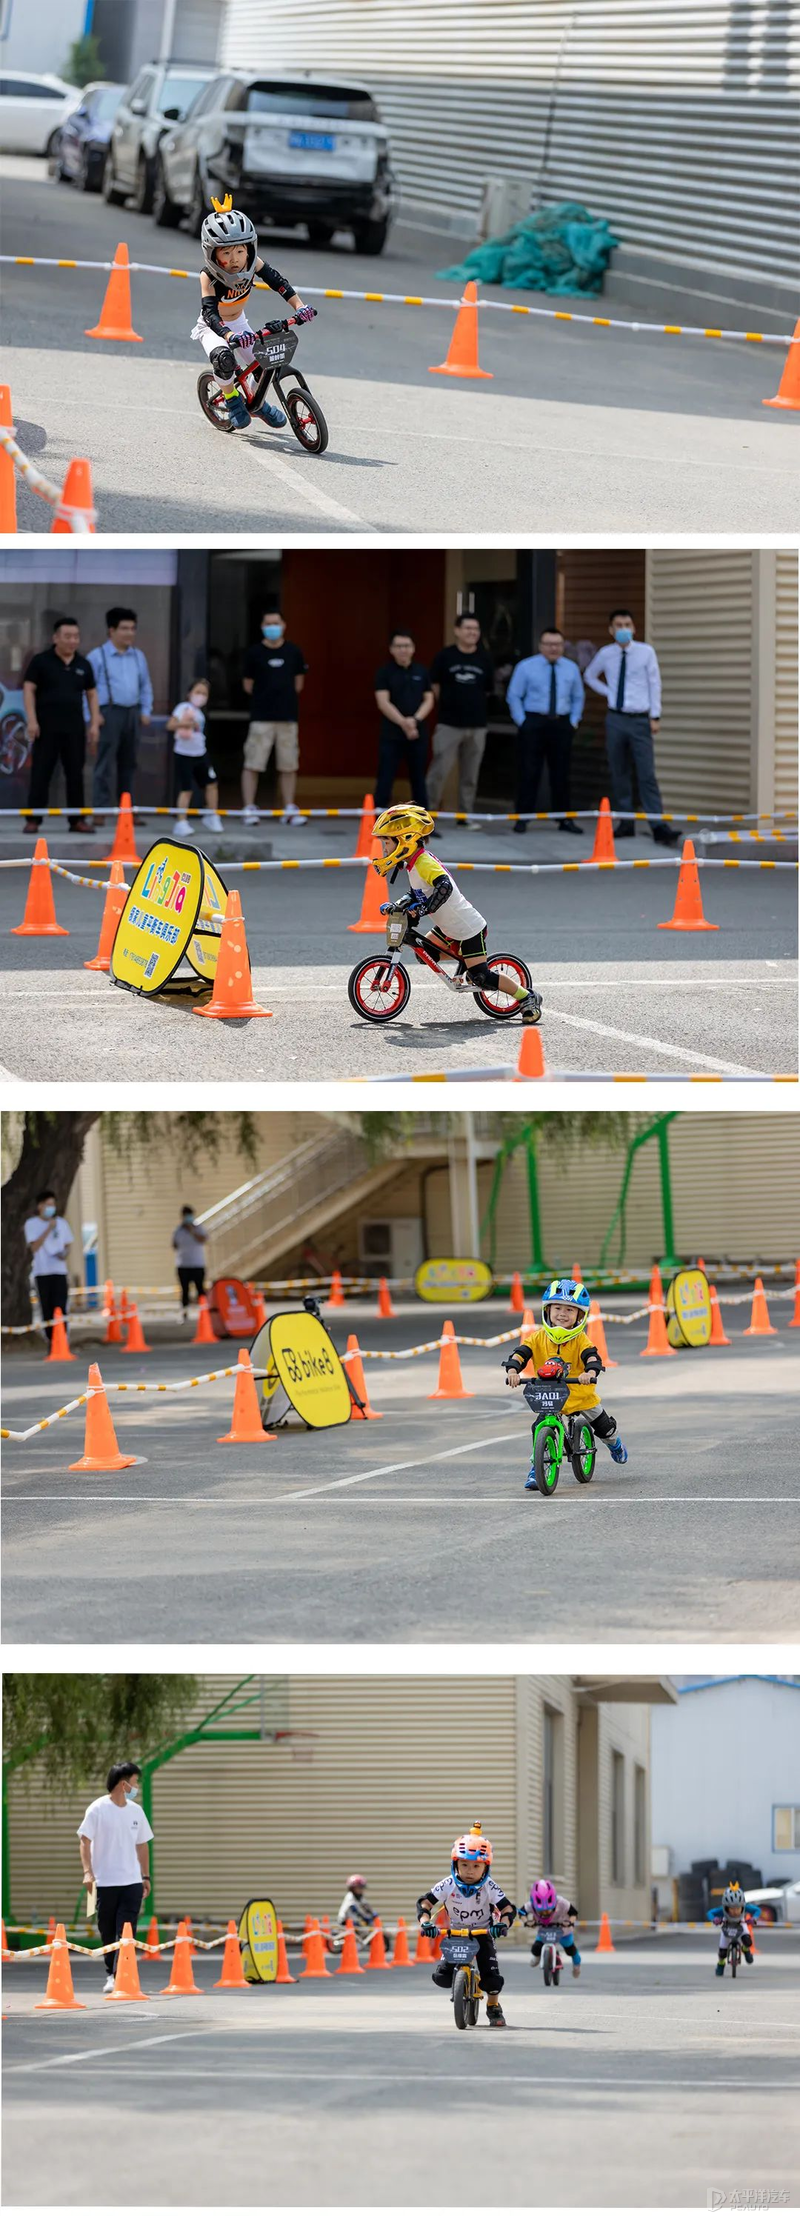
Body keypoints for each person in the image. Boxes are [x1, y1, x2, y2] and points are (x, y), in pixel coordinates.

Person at [372, 802, 542, 1022]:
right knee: (425, 955)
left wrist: (424, 909)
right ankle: (464, 959)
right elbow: (417, 892)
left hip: (468, 928)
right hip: (448, 928)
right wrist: (399, 904)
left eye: (386, 842)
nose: (383, 849)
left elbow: (444, 886)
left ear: (405, 840)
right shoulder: (413, 864)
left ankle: (527, 997)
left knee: (481, 977)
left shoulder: (423, 862)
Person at [192, 197, 315, 434]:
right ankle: (231, 398)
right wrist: (227, 335)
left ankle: (257, 405)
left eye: (240, 250)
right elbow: (209, 313)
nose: (235, 258)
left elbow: (278, 282)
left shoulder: (253, 263)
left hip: (238, 322)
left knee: (263, 366)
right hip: (213, 327)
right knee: (224, 360)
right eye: (226, 252)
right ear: (212, 254)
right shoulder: (208, 276)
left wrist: (299, 307)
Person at [504, 1276, 628, 1487]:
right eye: (557, 1308)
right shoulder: (537, 1337)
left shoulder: (581, 1339)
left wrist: (589, 1372)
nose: (562, 1313)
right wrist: (513, 1370)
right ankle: (537, 1467)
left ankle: (614, 1443)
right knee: (539, 1427)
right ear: (547, 1311)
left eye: (570, 1310)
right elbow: (520, 1354)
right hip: (550, 1395)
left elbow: (592, 1356)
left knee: (604, 1427)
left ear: (580, 1315)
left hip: (581, 1394)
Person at [583, 612, 680, 844]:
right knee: (619, 771)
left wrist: (655, 715)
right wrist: (610, 693)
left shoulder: (646, 652)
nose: (623, 628)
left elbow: (655, 683)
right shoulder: (606, 654)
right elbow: (590, 675)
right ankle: (625, 821)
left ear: (634, 628)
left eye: (627, 625)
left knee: (646, 773)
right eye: (618, 625)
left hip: (640, 718)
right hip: (616, 717)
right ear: (611, 630)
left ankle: (658, 825)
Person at [416, 1826, 516, 2029]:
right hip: (456, 1932)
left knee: (492, 1979)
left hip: (482, 1932)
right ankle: (460, 1984)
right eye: (464, 1865)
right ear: (456, 1864)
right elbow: (425, 1903)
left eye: (476, 1866)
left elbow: (508, 1909)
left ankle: (493, 2006)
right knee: (442, 1978)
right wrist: (425, 1923)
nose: (470, 1871)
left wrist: (501, 1925)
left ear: (486, 1867)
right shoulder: (447, 1884)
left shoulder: (490, 1886)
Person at [77, 1762, 153, 1995]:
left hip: (131, 1882)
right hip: (105, 1883)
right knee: (108, 1931)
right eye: (135, 1781)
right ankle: (111, 1973)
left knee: (126, 1930)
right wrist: (88, 1872)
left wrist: (145, 1876)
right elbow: (84, 1841)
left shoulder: (136, 1811)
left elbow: (142, 1845)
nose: (136, 1786)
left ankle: (121, 1975)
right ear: (124, 1783)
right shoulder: (97, 1809)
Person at [22, 616, 99, 834]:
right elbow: (29, 690)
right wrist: (31, 720)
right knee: (41, 773)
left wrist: (94, 723)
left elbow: (92, 695)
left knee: (75, 773)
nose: (72, 640)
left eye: (76, 636)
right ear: (55, 637)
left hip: (74, 728)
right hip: (45, 728)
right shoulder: (41, 661)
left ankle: (77, 821)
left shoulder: (83, 664)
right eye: (67, 636)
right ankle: (33, 820)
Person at [506, 628, 585, 834]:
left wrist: (574, 721)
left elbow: (578, 697)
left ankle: (563, 819)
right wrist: (522, 721)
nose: (553, 648)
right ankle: (522, 818)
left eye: (557, 644)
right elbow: (514, 695)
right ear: (540, 646)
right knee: (529, 772)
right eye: (549, 644)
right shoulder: (526, 667)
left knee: (561, 773)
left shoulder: (571, 668)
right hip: (533, 722)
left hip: (561, 724)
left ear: (562, 646)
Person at [241, 608, 307, 827]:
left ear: (283, 625)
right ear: (262, 627)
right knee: (253, 763)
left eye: (276, 623)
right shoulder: (254, 653)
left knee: (288, 764)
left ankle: (289, 808)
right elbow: (248, 685)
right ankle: (249, 807)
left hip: (288, 717)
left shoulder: (294, 652)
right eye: (268, 623)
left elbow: (299, 683)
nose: (272, 627)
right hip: (261, 717)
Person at [87, 607, 154, 820]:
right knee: (104, 764)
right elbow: (87, 690)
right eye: (124, 628)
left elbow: (145, 685)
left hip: (131, 713)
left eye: (133, 629)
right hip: (108, 713)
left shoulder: (138, 656)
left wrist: (146, 710)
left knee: (129, 764)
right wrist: (93, 716)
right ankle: (101, 810)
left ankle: (127, 812)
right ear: (111, 630)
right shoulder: (97, 656)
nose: (130, 633)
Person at [427, 613, 495, 822]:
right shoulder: (445, 656)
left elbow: (487, 690)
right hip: (449, 724)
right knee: (438, 772)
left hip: (477, 725)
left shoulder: (484, 658)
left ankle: (465, 816)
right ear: (457, 630)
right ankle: (426, 818)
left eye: (475, 629)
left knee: (470, 776)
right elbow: (434, 686)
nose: (472, 632)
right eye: (467, 628)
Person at [374, 632, 433, 808]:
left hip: (417, 734)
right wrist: (404, 723)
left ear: (413, 649)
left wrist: (415, 720)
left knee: (419, 780)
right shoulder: (384, 673)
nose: (403, 650)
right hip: (392, 735)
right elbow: (383, 702)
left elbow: (429, 699)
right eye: (399, 646)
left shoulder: (422, 671)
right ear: (391, 649)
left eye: (407, 646)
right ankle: (379, 823)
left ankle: (423, 824)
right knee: (385, 778)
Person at [167, 678, 222, 838]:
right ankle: (181, 821)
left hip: (200, 753)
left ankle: (212, 815)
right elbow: (170, 725)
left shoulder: (200, 714)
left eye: (204, 694)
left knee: (211, 784)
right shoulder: (183, 707)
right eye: (198, 692)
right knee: (186, 789)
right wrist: (185, 724)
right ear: (189, 693)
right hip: (184, 754)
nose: (201, 696)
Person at [24, 1187, 73, 1348]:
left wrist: (64, 1254)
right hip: (42, 1271)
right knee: (46, 1306)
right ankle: (51, 1340)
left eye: (53, 1204)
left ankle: (63, 1338)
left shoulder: (62, 1223)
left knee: (60, 1304)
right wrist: (48, 1229)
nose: (51, 1208)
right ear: (40, 1206)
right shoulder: (32, 1224)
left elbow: (67, 1244)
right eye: (48, 1204)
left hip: (59, 1270)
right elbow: (34, 1247)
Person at [522, 1879, 582, 1977]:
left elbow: (573, 1912)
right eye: (541, 1912)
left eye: (548, 1911)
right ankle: (537, 1958)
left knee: (570, 1949)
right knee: (536, 1947)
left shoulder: (561, 1902)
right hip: (544, 1930)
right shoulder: (531, 1905)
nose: (545, 1914)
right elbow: (521, 1912)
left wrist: (570, 1922)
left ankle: (576, 1964)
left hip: (563, 1930)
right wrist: (527, 1921)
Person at [708, 1882, 761, 1977]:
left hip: (741, 1924)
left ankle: (745, 1949)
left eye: (738, 1908)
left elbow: (757, 1910)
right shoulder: (721, 1910)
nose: (735, 1911)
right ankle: (720, 1964)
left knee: (747, 1940)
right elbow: (710, 1913)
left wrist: (754, 1918)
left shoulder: (746, 1907)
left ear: (743, 1906)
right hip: (726, 1926)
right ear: (726, 1907)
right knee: (722, 1951)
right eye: (732, 1909)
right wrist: (714, 1919)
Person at [172, 1205, 208, 1318]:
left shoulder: (199, 1228)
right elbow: (174, 1245)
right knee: (185, 1290)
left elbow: (203, 1239)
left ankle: (205, 1311)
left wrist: (192, 1231)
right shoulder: (178, 1230)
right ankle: (184, 1311)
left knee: (200, 1289)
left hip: (197, 1264)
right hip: (183, 1264)